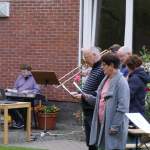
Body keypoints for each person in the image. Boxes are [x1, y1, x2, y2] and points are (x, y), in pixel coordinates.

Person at [88, 53, 130, 150]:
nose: (102, 67)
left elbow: (123, 107)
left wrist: (114, 126)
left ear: (111, 65)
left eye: (104, 65)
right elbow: (101, 100)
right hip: (103, 125)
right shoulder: (106, 79)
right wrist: (87, 97)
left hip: (113, 127)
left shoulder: (121, 82)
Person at [72, 47, 105, 150]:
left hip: (93, 110)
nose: (85, 60)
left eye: (86, 57)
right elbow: (92, 86)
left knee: (93, 141)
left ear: (94, 55)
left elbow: (100, 92)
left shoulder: (101, 69)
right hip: (88, 109)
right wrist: (79, 92)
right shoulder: (94, 68)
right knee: (90, 142)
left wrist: (83, 95)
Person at [9, 64, 40, 128]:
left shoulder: (35, 77)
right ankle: (19, 121)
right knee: (8, 102)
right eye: (21, 72)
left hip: (30, 98)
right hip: (18, 96)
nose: (22, 73)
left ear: (29, 71)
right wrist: (13, 91)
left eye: (24, 72)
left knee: (22, 103)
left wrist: (28, 91)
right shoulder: (20, 77)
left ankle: (25, 123)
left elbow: (37, 90)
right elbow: (15, 87)